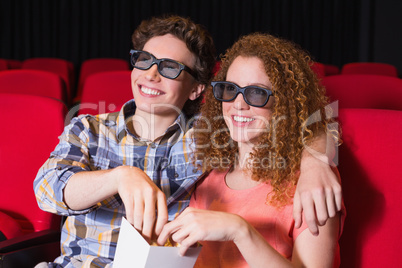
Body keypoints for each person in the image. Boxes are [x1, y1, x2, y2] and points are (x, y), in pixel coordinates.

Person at [34, 15, 341, 267]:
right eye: (144, 60)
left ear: (196, 89)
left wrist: (316, 162)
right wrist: (120, 177)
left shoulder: (206, 142)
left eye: (169, 67)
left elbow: (304, 120)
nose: (151, 74)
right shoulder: (88, 129)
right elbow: (47, 190)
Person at [157, 33, 346, 267]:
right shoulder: (206, 169)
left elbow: (319, 126)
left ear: (284, 103)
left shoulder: (311, 183)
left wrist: (239, 230)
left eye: (257, 93)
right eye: (230, 89)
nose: (238, 104)